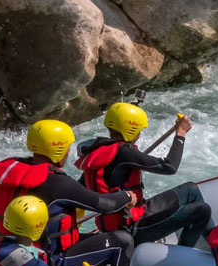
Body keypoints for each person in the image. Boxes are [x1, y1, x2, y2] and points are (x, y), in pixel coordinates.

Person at [0, 119, 139, 266]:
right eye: (67, 147)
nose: (68, 152)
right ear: (58, 149)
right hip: (52, 263)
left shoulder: (9, 174)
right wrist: (126, 196)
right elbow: (105, 204)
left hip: (18, 258)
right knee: (123, 241)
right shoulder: (57, 182)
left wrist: (10, 243)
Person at [76, 102, 211, 248]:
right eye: (139, 131)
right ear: (131, 131)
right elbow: (169, 167)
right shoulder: (124, 153)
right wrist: (181, 134)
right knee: (202, 210)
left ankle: (215, 243)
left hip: (134, 214)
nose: (140, 135)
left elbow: (80, 190)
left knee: (191, 189)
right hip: (131, 229)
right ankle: (182, 256)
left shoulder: (99, 151)